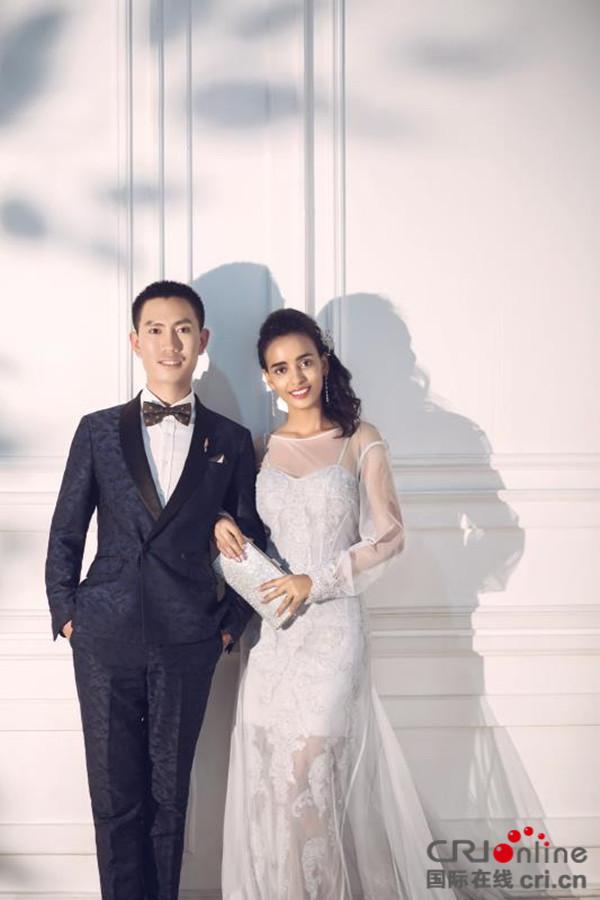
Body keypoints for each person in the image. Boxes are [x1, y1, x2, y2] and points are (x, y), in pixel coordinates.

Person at [216, 308, 455, 900]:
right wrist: (220, 522)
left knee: (310, 775)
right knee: (275, 783)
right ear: (266, 379)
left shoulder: (360, 439)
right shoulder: (258, 448)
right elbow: (240, 525)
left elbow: (390, 537)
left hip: (333, 632)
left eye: (304, 362)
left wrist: (316, 581)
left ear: (323, 363)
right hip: (275, 637)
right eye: (280, 368)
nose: (295, 377)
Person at [45, 280, 265, 900]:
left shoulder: (229, 440)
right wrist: (68, 614)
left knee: (170, 797)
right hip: (103, 637)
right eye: (157, 330)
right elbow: (66, 531)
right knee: (113, 797)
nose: (171, 343)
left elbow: (252, 542)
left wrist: (228, 627)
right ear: (135, 341)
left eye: (184, 329)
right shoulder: (96, 431)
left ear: (203, 340)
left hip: (188, 639)